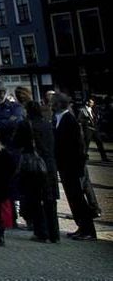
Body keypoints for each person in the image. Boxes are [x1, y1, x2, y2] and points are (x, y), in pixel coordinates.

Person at [52, 93, 97, 241]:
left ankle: (88, 230)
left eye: (53, 102)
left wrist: (79, 167)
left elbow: (78, 146)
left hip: (72, 166)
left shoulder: (69, 120)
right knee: (73, 198)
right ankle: (81, 227)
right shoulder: (58, 118)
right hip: (65, 166)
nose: (51, 105)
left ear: (59, 104)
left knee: (78, 199)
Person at [14, 101, 60, 243]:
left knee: (34, 200)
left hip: (33, 166)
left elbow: (16, 142)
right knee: (50, 201)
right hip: (49, 165)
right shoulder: (47, 124)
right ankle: (54, 234)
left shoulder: (25, 124)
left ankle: (41, 232)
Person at [78, 97, 108, 162]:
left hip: (95, 129)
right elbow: (79, 119)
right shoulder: (82, 110)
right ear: (87, 102)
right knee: (86, 144)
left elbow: (96, 117)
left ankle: (104, 158)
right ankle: (84, 157)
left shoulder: (93, 109)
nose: (92, 104)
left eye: (93, 103)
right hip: (88, 129)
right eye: (91, 102)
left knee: (99, 143)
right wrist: (86, 121)